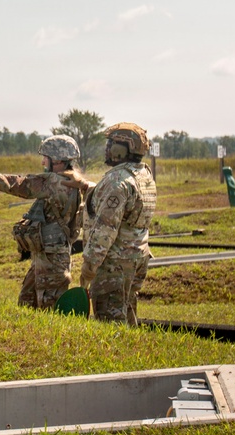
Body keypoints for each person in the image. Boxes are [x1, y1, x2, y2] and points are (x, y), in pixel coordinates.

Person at [0, 135, 83, 310]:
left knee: (49, 307)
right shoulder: (74, 181)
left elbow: (22, 185)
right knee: (27, 300)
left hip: (51, 256)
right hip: (48, 252)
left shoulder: (54, 181)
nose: (42, 163)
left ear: (57, 160)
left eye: (45, 158)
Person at [71, 122, 156, 324]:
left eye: (112, 143)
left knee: (110, 323)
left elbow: (104, 231)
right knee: (127, 312)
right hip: (137, 257)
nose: (107, 148)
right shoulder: (144, 174)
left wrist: (89, 267)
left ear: (124, 149)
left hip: (114, 264)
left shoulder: (117, 181)